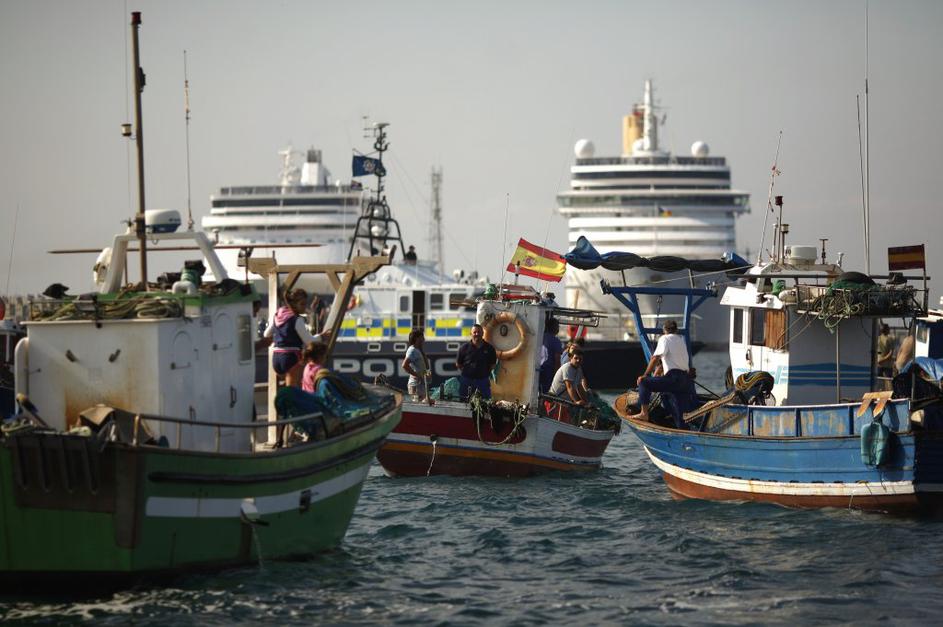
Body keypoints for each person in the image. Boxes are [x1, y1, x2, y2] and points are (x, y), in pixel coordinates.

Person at [628, 320, 691, 428]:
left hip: (673, 378)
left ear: (664, 330)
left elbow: (655, 358)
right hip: (684, 381)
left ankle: (644, 413)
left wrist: (646, 375)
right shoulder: (681, 340)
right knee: (680, 417)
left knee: (644, 383)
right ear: (676, 330)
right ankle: (683, 430)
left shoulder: (664, 338)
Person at [455, 323, 497, 400]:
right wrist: (468, 372)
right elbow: (458, 364)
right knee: (463, 402)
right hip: (466, 380)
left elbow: (493, 365)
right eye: (474, 332)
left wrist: (484, 373)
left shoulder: (490, 348)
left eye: (479, 332)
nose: (477, 334)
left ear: (483, 333)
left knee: (485, 403)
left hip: (483, 381)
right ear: (471, 333)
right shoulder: (464, 348)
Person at [402, 328, 431, 402]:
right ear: (416, 338)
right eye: (422, 337)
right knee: (418, 406)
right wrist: (417, 375)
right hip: (415, 385)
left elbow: (427, 366)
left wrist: (427, 374)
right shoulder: (412, 350)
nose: (424, 339)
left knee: (424, 405)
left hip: (421, 385)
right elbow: (404, 365)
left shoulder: (418, 350)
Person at [539, 318, 563, 394]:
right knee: (547, 394)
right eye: (558, 326)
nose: (558, 328)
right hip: (548, 372)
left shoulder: (539, 338)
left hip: (538, 369)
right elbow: (557, 360)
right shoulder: (556, 341)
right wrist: (557, 377)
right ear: (554, 327)